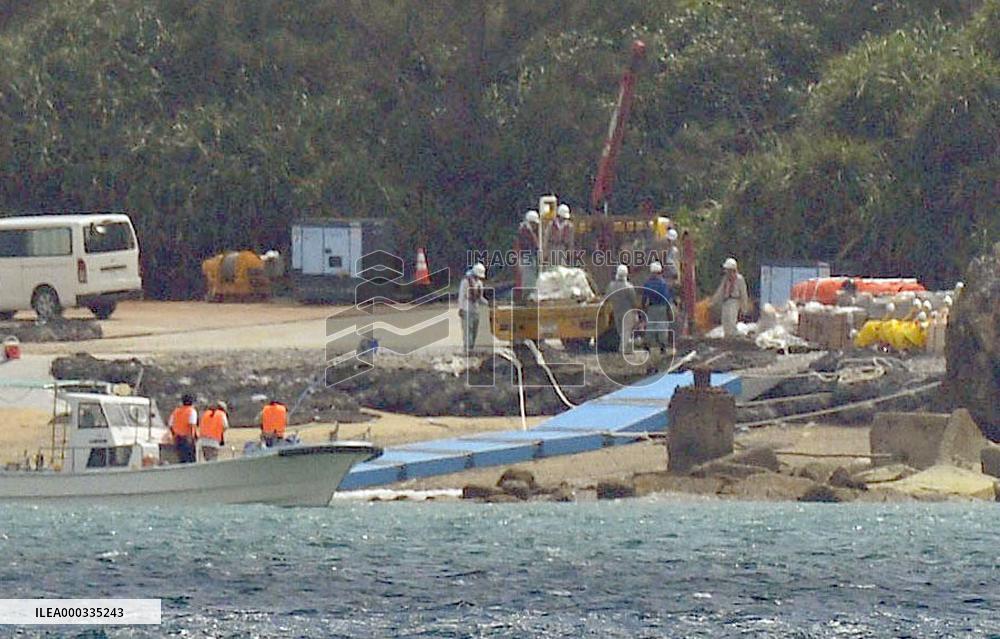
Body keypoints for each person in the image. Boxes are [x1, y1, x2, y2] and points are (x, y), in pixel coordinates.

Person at [711, 257, 751, 338]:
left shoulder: (739, 279)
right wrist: (714, 301)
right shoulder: (726, 279)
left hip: (734, 301)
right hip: (725, 301)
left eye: (728, 269)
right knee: (725, 321)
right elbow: (720, 290)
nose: (727, 271)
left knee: (731, 320)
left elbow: (743, 293)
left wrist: (744, 308)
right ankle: (727, 337)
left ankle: (733, 338)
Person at [641, 261, 674, 356]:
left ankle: (648, 345)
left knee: (651, 326)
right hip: (662, 307)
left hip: (652, 307)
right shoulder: (663, 284)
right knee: (662, 326)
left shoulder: (648, 283)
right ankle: (662, 347)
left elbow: (644, 297)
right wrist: (669, 310)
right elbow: (667, 297)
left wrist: (643, 308)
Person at [605, 264, 638, 355]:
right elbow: (633, 301)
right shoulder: (629, 287)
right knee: (626, 331)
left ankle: (625, 349)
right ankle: (624, 350)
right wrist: (636, 313)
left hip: (616, 312)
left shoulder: (611, 286)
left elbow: (606, 298)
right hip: (628, 313)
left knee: (621, 331)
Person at [457, 262, 487, 352]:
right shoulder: (465, 281)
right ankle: (467, 349)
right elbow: (461, 295)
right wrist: (461, 308)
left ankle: (471, 348)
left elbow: (480, 298)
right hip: (467, 309)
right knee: (467, 331)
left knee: (474, 331)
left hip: (475, 310)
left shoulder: (479, 283)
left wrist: (488, 303)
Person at [515, 210, 540, 301]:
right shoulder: (524, 230)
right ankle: (527, 297)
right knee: (528, 277)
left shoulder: (527, 230)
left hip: (530, 256)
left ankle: (530, 295)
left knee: (532, 276)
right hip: (526, 256)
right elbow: (532, 244)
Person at [168, 394, 198, 464]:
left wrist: (174, 436)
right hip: (187, 439)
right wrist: (192, 438)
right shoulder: (191, 411)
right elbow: (191, 425)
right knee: (191, 460)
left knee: (181, 460)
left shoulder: (176, 411)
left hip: (178, 439)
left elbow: (170, 425)